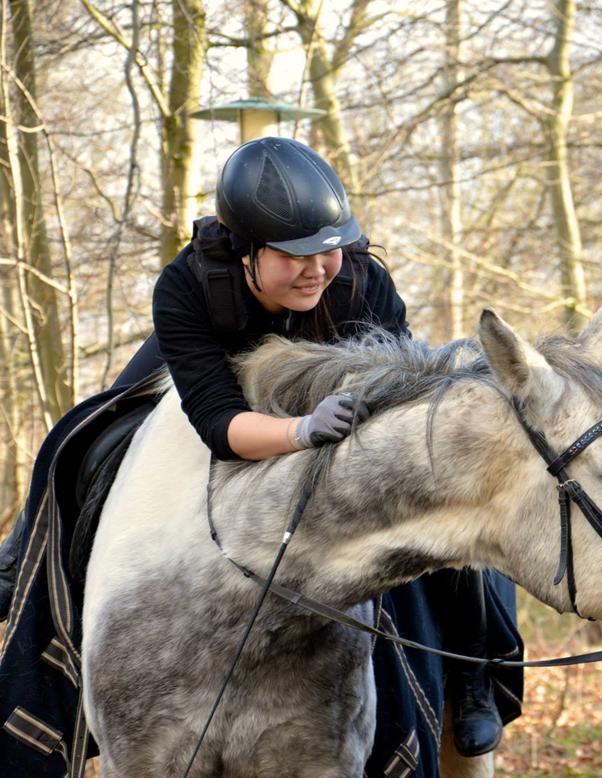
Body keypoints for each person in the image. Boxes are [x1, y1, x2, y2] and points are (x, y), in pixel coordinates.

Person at [0, 137, 517, 773]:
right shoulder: (186, 287)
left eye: (328, 248)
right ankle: (27, 568)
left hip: (335, 379)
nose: (316, 268)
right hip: (226, 366)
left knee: (437, 489)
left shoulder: (359, 283)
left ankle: (475, 673)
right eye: (294, 255)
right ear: (244, 252)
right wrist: (301, 431)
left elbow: (399, 420)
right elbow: (218, 423)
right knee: (89, 430)